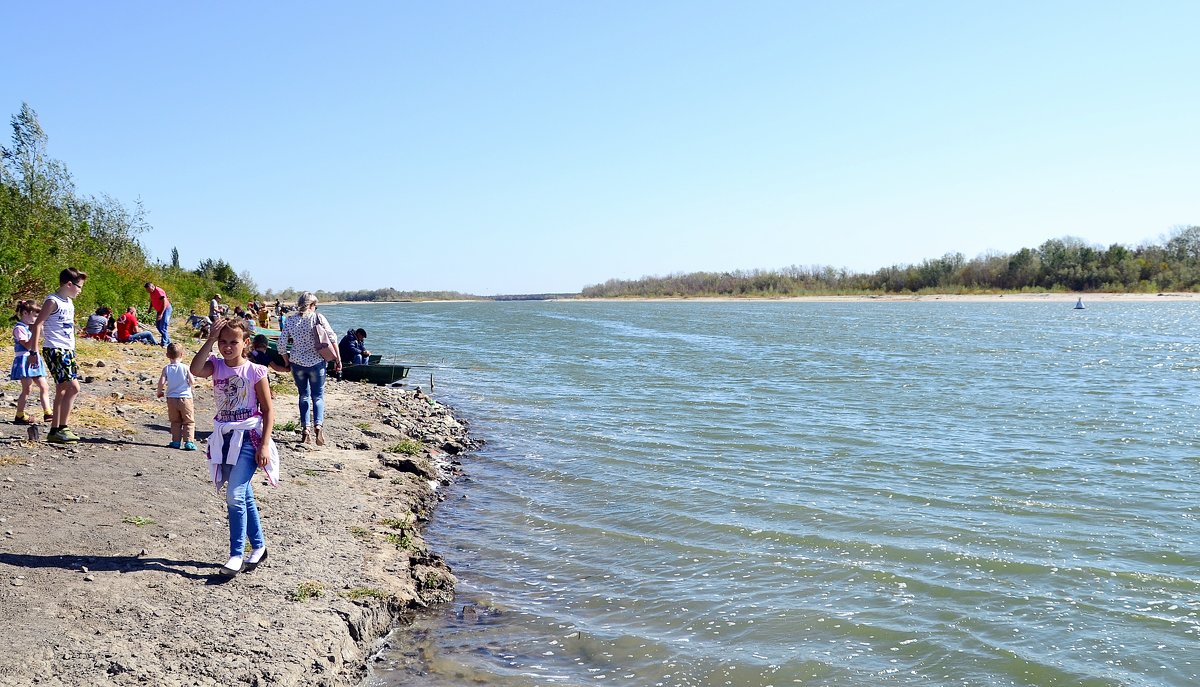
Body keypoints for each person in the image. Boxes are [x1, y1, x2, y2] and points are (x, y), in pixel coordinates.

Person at [190, 317, 278, 577]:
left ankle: (236, 555)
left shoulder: (255, 371)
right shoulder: (215, 366)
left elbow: (268, 409)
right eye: (223, 342)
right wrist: (208, 339)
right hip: (225, 439)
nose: (228, 347)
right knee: (244, 494)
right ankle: (259, 547)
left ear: (245, 343)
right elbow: (195, 369)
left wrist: (264, 445)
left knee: (235, 495)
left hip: (249, 438)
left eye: (234, 342)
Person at [28, 267, 87, 444]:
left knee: (65, 388)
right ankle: (59, 428)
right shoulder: (53, 301)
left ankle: (58, 428)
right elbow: (38, 325)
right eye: (79, 286)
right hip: (55, 349)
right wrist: (33, 351)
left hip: (67, 349)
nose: (79, 290)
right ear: (69, 284)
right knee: (71, 387)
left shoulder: (69, 302)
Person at [277, 291, 339, 445]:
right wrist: (338, 359)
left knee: (303, 395)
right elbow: (332, 338)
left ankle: (305, 429)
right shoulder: (318, 317)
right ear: (312, 305)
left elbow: (281, 344)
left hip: (297, 363)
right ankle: (318, 426)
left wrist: (286, 361)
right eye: (315, 305)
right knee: (318, 396)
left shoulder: (291, 321)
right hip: (317, 362)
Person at [10, 300, 52, 425]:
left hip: (35, 358)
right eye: (34, 315)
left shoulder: (30, 327)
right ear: (25, 313)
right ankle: (20, 414)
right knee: (27, 388)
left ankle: (48, 412)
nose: (36, 319)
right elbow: (27, 345)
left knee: (44, 386)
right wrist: (35, 332)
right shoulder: (19, 329)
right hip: (24, 359)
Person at [157, 342, 197, 450]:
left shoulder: (166, 368)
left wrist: (159, 392)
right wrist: (189, 383)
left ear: (167, 356)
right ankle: (189, 441)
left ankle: (175, 441)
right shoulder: (185, 367)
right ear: (182, 355)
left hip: (171, 398)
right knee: (188, 421)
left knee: (175, 421)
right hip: (185, 397)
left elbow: (161, 382)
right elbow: (192, 381)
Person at [145, 281, 172, 347]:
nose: (147, 291)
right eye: (147, 290)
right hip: (159, 310)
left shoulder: (159, 291)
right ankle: (167, 340)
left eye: (148, 289)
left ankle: (164, 343)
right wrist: (150, 308)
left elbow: (164, 302)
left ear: (152, 286)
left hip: (166, 309)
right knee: (158, 326)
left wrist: (161, 314)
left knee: (163, 326)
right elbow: (152, 300)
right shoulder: (152, 292)